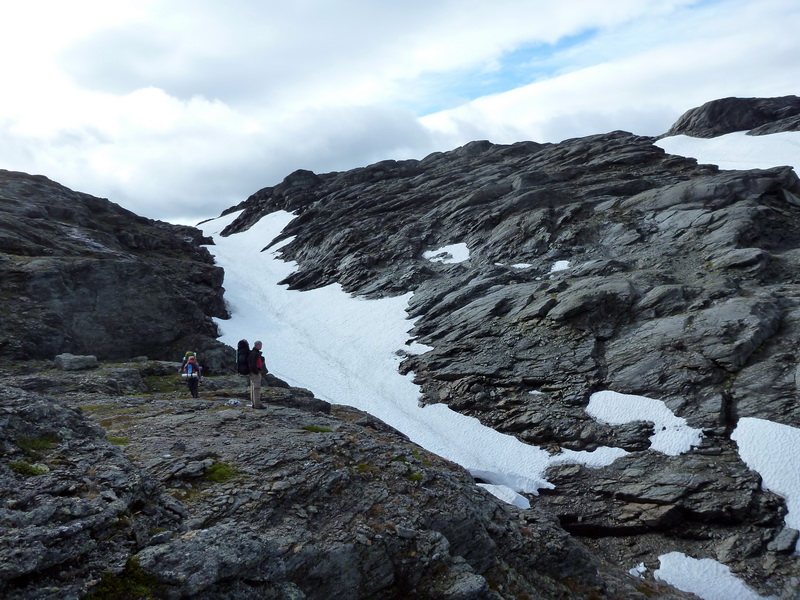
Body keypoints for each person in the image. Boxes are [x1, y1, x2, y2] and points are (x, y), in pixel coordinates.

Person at [247, 340, 266, 408]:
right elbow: (252, 365)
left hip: (252, 373)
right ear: (258, 345)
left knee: (253, 388)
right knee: (256, 388)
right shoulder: (255, 353)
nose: (261, 346)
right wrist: (256, 372)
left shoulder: (253, 353)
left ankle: (254, 403)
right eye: (260, 345)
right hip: (255, 373)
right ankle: (257, 404)